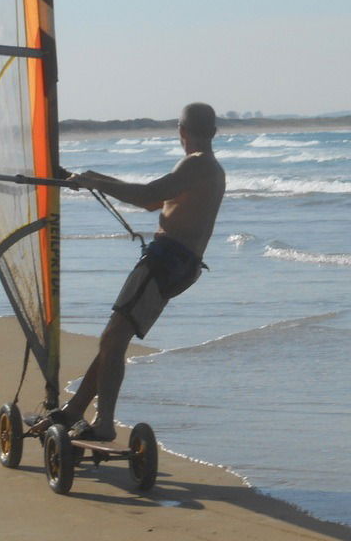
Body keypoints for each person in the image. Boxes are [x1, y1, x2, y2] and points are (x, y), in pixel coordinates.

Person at [33, 103, 226, 441]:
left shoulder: (196, 164)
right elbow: (156, 201)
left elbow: (149, 196)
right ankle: (76, 410)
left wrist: (96, 182)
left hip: (166, 260)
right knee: (114, 340)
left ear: (181, 130)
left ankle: (104, 423)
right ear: (214, 130)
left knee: (112, 338)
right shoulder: (208, 167)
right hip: (181, 266)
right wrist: (92, 177)